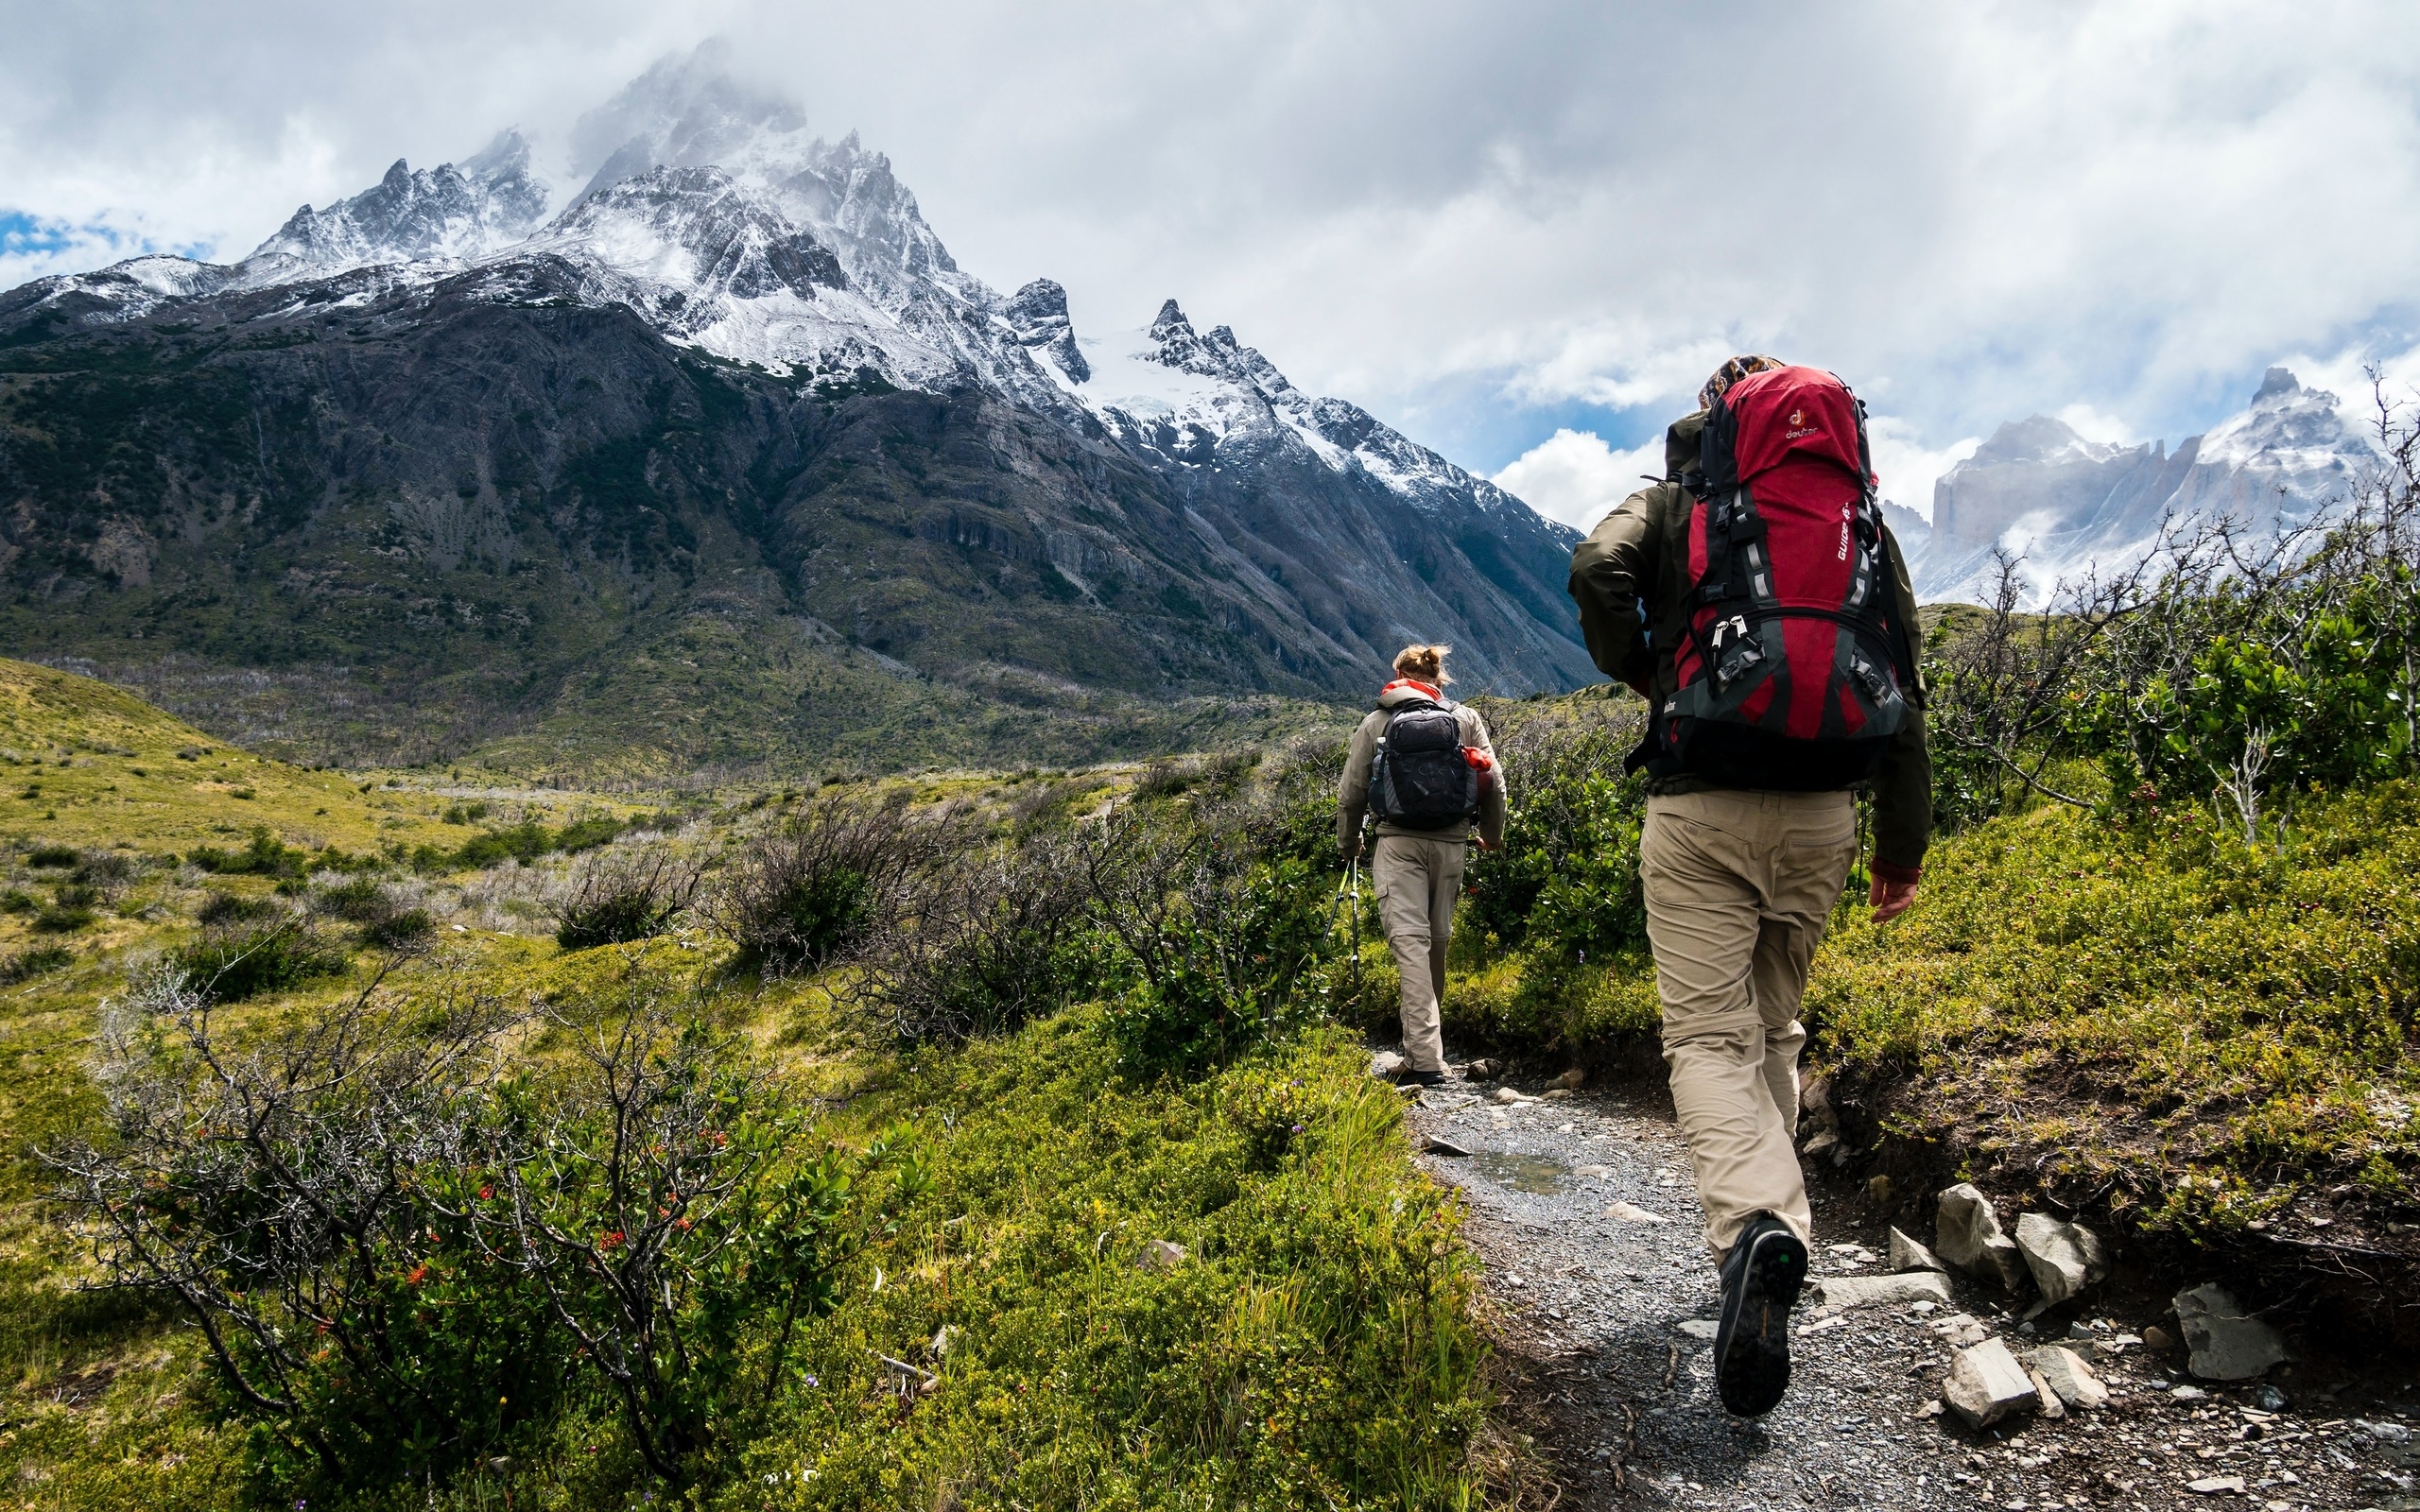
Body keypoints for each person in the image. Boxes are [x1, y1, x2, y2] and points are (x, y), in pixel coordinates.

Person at [1567, 354, 1931, 1418]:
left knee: (1704, 1039)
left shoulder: (1681, 500)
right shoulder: (1856, 519)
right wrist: (1899, 850)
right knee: (1774, 1028)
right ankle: (1772, 1238)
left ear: (1717, 417)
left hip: (1702, 804)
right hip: (1824, 813)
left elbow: (1596, 570)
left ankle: (1754, 1233)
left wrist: (1645, 669)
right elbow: (1902, 676)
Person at [1335, 644, 1506, 1088]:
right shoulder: (1465, 719)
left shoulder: (1377, 722)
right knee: (1437, 943)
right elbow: (1495, 782)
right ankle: (1425, 1049)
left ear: (1397, 675)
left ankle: (1426, 1059)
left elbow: (1352, 792)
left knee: (1410, 943)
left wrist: (1350, 843)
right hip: (1452, 845)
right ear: (1438, 678)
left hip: (1398, 845)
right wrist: (1491, 835)